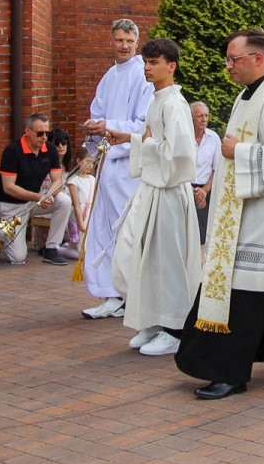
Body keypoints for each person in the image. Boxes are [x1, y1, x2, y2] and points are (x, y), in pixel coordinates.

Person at [174, 28, 264, 399]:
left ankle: (231, 373)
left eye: (233, 59)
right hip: (239, 213)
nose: (228, 66)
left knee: (245, 293)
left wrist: (238, 152)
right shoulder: (247, 95)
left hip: (262, 217)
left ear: (257, 58)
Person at [108, 38, 201, 357]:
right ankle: (153, 318)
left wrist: (145, 144)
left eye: (154, 62)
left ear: (171, 66)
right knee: (142, 258)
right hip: (152, 189)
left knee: (168, 262)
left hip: (169, 192)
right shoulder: (157, 100)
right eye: (145, 62)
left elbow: (182, 154)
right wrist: (131, 138)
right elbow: (154, 141)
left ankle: (175, 328)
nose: (147, 68)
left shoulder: (174, 104)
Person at [81, 19, 154, 319]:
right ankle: (110, 293)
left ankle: (132, 293)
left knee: (126, 231)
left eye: (129, 40)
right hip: (108, 164)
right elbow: (97, 112)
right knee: (102, 229)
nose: (124, 45)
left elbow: (143, 124)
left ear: (137, 42)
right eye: (118, 40)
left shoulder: (143, 75)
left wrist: (108, 127)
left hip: (130, 165)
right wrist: (93, 128)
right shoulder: (109, 76)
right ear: (110, 41)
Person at [0, 113, 72, 266]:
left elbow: (57, 180)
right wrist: (38, 198)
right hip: (11, 205)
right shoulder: (12, 151)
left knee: (64, 200)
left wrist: (47, 195)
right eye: (40, 133)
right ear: (28, 131)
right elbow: (8, 187)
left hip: (33, 201)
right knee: (18, 258)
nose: (44, 137)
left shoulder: (50, 149)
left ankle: (51, 249)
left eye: (47, 133)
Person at [190, 101, 221, 245]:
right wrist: (191, 190)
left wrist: (204, 190)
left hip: (205, 191)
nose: (204, 119)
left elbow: (217, 168)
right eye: (200, 116)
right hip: (184, 188)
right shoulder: (184, 137)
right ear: (191, 118)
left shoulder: (214, 138)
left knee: (202, 237)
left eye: (206, 116)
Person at [58, 146, 96, 259]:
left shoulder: (93, 179)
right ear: (79, 160)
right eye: (88, 161)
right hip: (80, 215)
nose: (90, 165)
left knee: (88, 248)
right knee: (82, 254)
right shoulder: (73, 180)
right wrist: (81, 223)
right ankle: (58, 250)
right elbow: (76, 205)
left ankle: (68, 246)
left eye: (93, 163)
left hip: (90, 214)